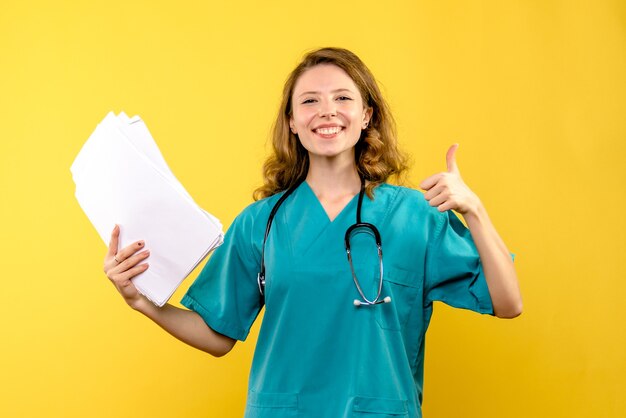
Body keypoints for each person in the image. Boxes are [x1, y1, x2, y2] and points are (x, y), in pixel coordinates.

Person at [104, 47, 522, 418]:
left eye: (343, 98)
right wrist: (142, 302)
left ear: (366, 115)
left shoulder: (415, 215)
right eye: (309, 101)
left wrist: (475, 209)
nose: (327, 111)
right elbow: (218, 334)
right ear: (291, 121)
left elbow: (508, 302)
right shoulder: (260, 222)